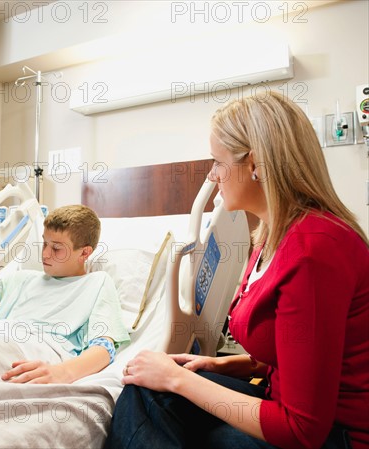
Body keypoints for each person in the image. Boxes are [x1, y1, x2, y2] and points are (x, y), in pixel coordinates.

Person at [103, 92, 369, 449]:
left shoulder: (313, 250)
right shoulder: (271, 237)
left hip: (337, 437)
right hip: (286, 404)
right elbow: (298, 356)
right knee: (147, 391)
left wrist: (178, 380)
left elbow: (302, 429)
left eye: (217, 161)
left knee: (167, 406)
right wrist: (230, 366)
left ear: (255, 163)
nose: (212, 175)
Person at [0, 204, 131, 384]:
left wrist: (62, 372)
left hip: (33, 348)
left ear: (84, 253)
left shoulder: (96, 283)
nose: (45, 254)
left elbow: (104, 348)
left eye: (57, 249)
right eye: (44, 244)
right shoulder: (19, 279)